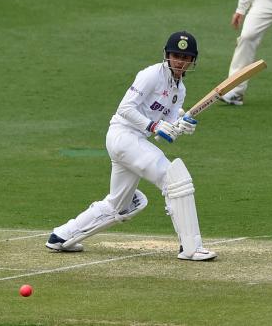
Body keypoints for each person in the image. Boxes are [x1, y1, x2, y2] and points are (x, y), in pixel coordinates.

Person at [46, 31, 217, 261]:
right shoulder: (150, 75)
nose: (180, 61)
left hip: (134, 143)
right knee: (175, 178)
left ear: (192, 61)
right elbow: (125, 109)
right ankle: (191, 247)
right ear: (167, 55)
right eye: (176, 55)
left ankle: (60, 236)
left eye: (186, 57)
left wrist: (180, 126)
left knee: (120, 204)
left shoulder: (180, 90)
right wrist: (154, 126)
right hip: (123, 136)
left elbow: (166, 132)